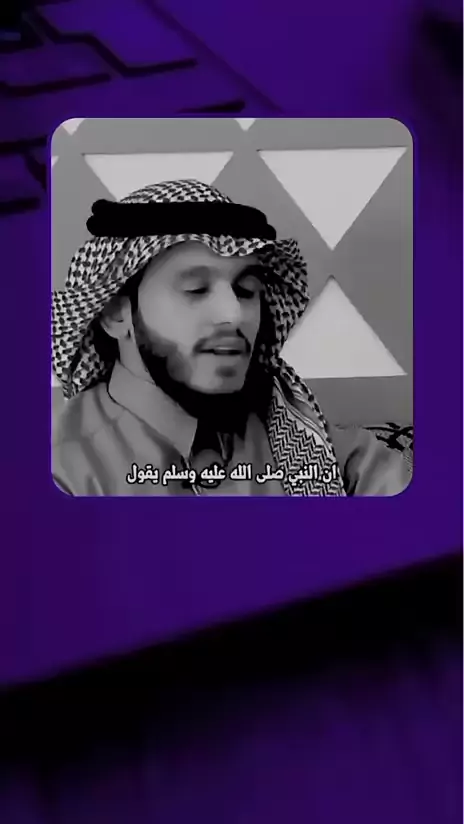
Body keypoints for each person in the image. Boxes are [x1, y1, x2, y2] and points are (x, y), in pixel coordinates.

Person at [52, 179, 410, 496]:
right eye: (196, 289)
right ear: (116, 314)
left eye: (246, 289)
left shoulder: (298, 431)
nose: (235, 314)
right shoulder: (58, 474)